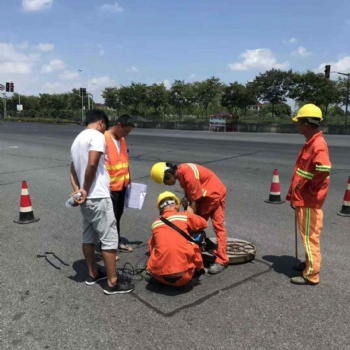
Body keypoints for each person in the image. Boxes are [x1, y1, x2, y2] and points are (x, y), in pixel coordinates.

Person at [70, 109, 135, 295]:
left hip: (86, 199)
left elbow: (72, 170)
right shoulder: (97, 136)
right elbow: (92, 164)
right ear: (100, 123)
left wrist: (78, 191)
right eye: (104, 126)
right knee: (109, 239)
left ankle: (93, 273)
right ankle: (113, 282)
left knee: (88, 236)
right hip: (98, 195)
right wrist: (86, 189)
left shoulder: (76, 141)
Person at [150, 162, 229, 274]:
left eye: (165, 182)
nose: (166, 185)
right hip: (204, 196)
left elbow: (194, 203)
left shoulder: (188, 175)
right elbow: (191, 194)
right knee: (195, 225)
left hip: (215, 194)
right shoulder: (181, 173)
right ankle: (199, 248)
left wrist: (189, 219)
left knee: (218, 227)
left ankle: (222, 260)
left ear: (168, 175)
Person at [286, 103, 331, 286]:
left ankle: (311, 275)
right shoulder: (311, 143)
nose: (297, 126)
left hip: (309, 200)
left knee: (309, 237)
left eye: (299, 122)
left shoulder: (317, 145)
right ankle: (308, 263)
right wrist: (294, 194)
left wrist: (312, 191)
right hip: (303, 197)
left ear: (305, 124)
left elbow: (323, 169)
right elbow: (303, 173)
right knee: (307, 235)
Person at [147, 191, 208, 288]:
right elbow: (204, 224)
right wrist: (191, 214)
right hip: (185, 278)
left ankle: (161, 269)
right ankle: (197, 269)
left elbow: (151, 248)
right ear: (176, 205)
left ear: (161, 209)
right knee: (198, 236)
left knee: (153, 242)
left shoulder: (155, 224)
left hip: (160, 277)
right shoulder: (184, 216)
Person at [104, 114, 134, 253]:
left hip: (122, 185)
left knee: (117, 215)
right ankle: (109, 247)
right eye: (125, 131)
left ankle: (115, 243)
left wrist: (129, 179)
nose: (126, 135)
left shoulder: (121, 140)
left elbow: (124, 160)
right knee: (110, 217)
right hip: (110, 187)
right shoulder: (104, 138)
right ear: (118, 125)